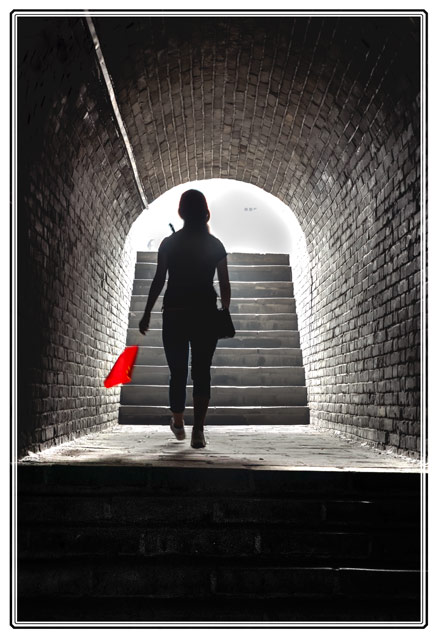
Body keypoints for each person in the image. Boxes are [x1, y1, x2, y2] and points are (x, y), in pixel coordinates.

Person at [139, 189, 231, 449]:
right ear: (205, 212)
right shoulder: (215, 245)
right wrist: (224, 310)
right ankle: (198, 431)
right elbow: (224, 283)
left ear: (181, 212)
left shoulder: (169, 243)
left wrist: (147, 312)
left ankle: (178, 423)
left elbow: (159, 280)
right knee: (202, 372)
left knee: (177, 371)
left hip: (175, 314)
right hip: (205, 314)